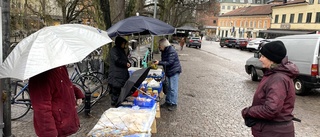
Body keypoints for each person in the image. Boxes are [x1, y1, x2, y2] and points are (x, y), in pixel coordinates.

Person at [241, 41, 299, 137]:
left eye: (263, 56)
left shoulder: (278, 78)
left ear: (272, 59)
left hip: (274, 132)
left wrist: (248, 112)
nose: (260, 59)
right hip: (272, 129)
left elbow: (271, 109)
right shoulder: (273, 75)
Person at [28, 66, 85, 137]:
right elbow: (42, 109)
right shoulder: (39, 76)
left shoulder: (60, 67)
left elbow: (65, 83)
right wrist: (49, 134)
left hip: (66, 121)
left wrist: (77, 93)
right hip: (57, 127)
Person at [154, 38, 182, 111]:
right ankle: (168, 102)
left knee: (173, 88)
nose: (159, 47)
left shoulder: (171, 51)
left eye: (160, 46)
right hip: (169, 71)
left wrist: (159, 62)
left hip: (174, 71)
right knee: (168, 87)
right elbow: (165, 61)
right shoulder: (164, 51)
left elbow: (169, 62)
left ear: (163, 45)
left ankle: (173, 103)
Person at [107, 36, 131, 106]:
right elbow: (117, 60)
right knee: (115, 93)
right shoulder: (114, 50)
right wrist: (125, 64)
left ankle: (119, 104)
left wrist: (129, 63)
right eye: (123, 43)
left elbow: (125, 59)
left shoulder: (121, 50)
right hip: (116, 76)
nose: (124, 45)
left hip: (121, 75)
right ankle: (116, 107)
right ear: (120, 43)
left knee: (120, 92)